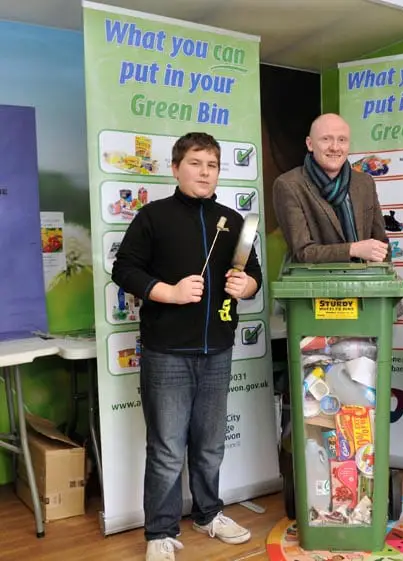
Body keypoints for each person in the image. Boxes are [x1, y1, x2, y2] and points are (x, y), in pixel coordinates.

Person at [112, 132, 261, 561]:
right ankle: (159, 530)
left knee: (211, 443)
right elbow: (124, 270)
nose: (205, 172)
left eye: (212, 165)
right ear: (176, 168)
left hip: (217, 349)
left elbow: (253, 276)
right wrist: (167, 292)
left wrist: (246, 284)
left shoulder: (233, 221)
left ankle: (208, 513)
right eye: (196, 163)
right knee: (166, 447)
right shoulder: (152, 217)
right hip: (166, 353)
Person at [272, 113, 388, 263]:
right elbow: (302, 252)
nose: (335, 147)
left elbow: (381, 244)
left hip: (362, 282)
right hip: (315, 284)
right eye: (326, 139)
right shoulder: (289, 185)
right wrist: (353, 249)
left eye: (342, 140)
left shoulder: (364, 182)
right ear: (310, 144)